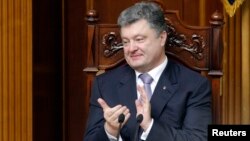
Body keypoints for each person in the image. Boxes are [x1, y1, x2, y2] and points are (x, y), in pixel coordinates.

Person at [83, 1, 212, 141]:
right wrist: (110, 130)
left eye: (139, 39)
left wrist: (150, 126)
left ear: (162, 38)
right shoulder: (104, 84)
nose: (131, 48)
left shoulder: (195, 85)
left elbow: (199, 139)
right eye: (125, 42)